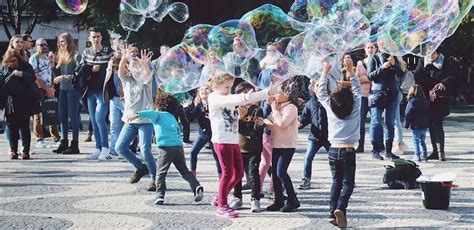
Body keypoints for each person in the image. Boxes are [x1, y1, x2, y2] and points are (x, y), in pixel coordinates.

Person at [208, 72, 277, 218]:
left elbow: (231, 118)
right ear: (216, 86)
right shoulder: (214, 97)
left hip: (233, 140)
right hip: (222, 141)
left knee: (239, 173)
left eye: (230, 87)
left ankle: (220, 196)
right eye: (226, 87)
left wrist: (239, 115)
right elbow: (242, 98)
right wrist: (266, 92)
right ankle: (222, 205)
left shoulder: (226, 98)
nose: (228, 90)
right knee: (227, 173)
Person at [131, 92, 204, 205]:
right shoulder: (172, 117)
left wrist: (135, 115)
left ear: (158, 105)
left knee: (161, 172)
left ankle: (160, 195)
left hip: (166, 148)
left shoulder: (158, 114)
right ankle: (196, 186)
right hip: (178, 146)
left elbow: (148, 113)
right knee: (184, 170)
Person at [317, 57, 361, 228]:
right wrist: (351, 71)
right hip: (348, 151)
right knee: (348, 183)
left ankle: (331, 213)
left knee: (336, 181)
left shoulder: (330, 106)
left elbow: (321, 93)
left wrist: (324, 73)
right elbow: (358, 91)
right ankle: (341, 208)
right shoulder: (355, 106)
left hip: (333, 150)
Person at [115, 45, 156, 191]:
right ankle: (140, 167)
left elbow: (148, 76)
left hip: (145, 120)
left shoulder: (145, 80)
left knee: (145, 150)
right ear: (129, 68)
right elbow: (120, 71)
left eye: (137, 65)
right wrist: (125, 57)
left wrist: (144, 65)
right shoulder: (126, 79)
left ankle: (155, 178)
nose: (135, 67)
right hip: (130, 120)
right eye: (132, 65)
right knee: (119, 147)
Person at [413, 48, 457, 161]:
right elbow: (418, 78)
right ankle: (435, 151)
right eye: (428, 53)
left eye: (433, 53)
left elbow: (454, 76)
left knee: (437, 123)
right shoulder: (422, 61)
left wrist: (443, 83)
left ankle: (440, 151)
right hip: (427, 97)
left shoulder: (445, 61)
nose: (431, 55)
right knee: (431, 124)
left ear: (438, 53)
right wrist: (427, 91)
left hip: (440, 97)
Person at [264, 80, 300, 213]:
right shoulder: (278, 106)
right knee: (275, 173)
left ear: (288, 95)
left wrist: (274, 110)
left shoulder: (291, 108)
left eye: (279, 92)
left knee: (281, 172)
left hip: (287, 145)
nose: (276, 94)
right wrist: (269, 118)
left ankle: (292, 200)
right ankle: (278, 200)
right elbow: (270, 119)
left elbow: (282, 123)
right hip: (276, 143)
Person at [229, 82, 265, 213]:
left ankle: (255, 199)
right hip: (238, 147)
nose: (249, 97)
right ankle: (237, 197)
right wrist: (240, 117)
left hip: (253, 149)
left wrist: (260, 125)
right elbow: (231, 128)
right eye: (245, 94)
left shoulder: (257, 110)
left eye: (251, 93)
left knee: (253, 175)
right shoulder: (234, 109)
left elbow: (257, 130)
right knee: (237, 174)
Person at [80, 27, 114, 160]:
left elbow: (114, 66)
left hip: (103, 90)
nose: (96, 39)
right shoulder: (86, 52)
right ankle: (98, 147)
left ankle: (105, 148)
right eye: (93, 37)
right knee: (94, 120)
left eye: (98, 36)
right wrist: (91, 68)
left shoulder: (108, 52)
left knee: (100, 118)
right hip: (90, 90)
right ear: (89, 38)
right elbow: (81, 68)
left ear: (101, 37)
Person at [367, 42, 402, 160]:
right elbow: (370, 76)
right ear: (379, 46)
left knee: (390, 123)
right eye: (382, 43)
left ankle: (388, 151)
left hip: (392, 93)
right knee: (376, 122)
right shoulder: (374, 58)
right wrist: (382, 68)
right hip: (378, 93)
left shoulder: (393, 57)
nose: (384, 45)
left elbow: (401, 73)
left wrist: (394, 64)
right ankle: (375, 150)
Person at [0, 50, 36, 159]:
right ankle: (13, 150)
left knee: (24, 125)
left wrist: (21, 74)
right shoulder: (4, 68)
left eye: (14, 60)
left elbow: (32, 78)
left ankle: (25, 150)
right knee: (11, 125)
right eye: (9, 61)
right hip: (10, 99)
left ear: (18, 59)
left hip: (24, 98)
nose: (12, 63)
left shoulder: (25, 66)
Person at [298, 79, 330, 190]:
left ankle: (344, 178)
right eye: (317, 86)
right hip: (315, 136)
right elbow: (304, 118)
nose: (320, 88)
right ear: (313, 89)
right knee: (308, 157)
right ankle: (306, 179)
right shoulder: (310, 104)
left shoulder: (330, 101)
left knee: (336, 158)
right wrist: (300, 123)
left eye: (322, 86)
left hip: (329, 136)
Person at [52, 33, 81, 154]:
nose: (60, 43)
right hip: (63, 89)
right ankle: (64, 142)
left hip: (73, 89)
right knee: (62, 115)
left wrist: (64, 76)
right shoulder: (61, 55)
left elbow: (79, 74)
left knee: (73, 117)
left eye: (62, 41)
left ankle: (75, 144)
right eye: (59, 41)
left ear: (69, 42)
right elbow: (56, 74)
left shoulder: (76, 55)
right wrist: (52, 65)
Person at [183, 85, 221, 176]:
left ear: (212, 92)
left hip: (214, 134)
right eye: (201, 90)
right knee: (193, 152)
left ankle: (221, 175)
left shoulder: (215, 104)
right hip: (203, 134)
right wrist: (186, 108)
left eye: (207, 89)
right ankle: (193, 173)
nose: (204, 91)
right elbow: (190, 118)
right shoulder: (199, 106)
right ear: (199, 94)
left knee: (217, 156)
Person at [29, 38, 61, 148]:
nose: (44, 46)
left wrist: (52, 87)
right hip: (38, 89)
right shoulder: (34, 58)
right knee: (38, 115)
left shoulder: (47, 58)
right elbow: (36, 77)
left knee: (52, 112)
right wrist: (47, 88)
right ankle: (39, 139)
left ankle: (56, 138)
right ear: (36, 46)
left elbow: (51, 73)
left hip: (49, 88)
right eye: (41, 44)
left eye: (45, 44)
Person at [104, 38, 125, 160]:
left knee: (128, 124)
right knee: (114, 125)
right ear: (112, 46)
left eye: (121, 45)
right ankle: (113, 151)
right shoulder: (111, 61)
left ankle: (125, 149)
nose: (119, 47)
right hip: (113, 97)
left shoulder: (128, 60)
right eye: (117, 45)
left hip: (125, 98)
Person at [355, 42, 374, 153]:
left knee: (375, 122)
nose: (370, 49)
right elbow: (357, 78)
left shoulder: (378, 61)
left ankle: (377, 144)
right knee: (360, 121)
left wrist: (364, 78)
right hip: (363, 95)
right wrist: (369, 78)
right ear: (365, 50)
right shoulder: (360, 63)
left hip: (374, 94)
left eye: (372, 47)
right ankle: (360, 145)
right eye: (368, 47)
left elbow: (378, 76)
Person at [404, 84, 431, 162]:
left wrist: (406, 125)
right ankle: (424, 155)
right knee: (422, 140)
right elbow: (429, 113)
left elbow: (408, 114)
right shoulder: (425, 102)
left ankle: (417, 155)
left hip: (416, 125)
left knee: (415, 140)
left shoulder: (412, 102)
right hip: (424, 124)